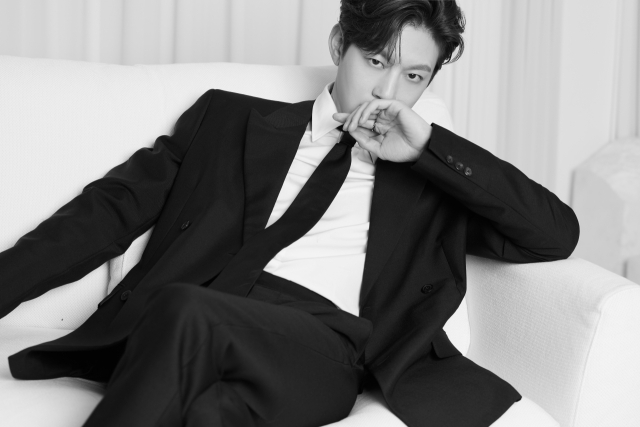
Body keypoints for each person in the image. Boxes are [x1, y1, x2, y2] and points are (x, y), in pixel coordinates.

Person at [0, 0, 579, 426]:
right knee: (205, 409)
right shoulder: (227, 122)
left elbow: (555, 234)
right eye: (376, 60)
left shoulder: (434, 175)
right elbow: (107, 213)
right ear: (338, 45)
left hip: (320, 351)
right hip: (196, 328)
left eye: (413, 76)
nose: (387, 91)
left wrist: (428, 150)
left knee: (185, 310)